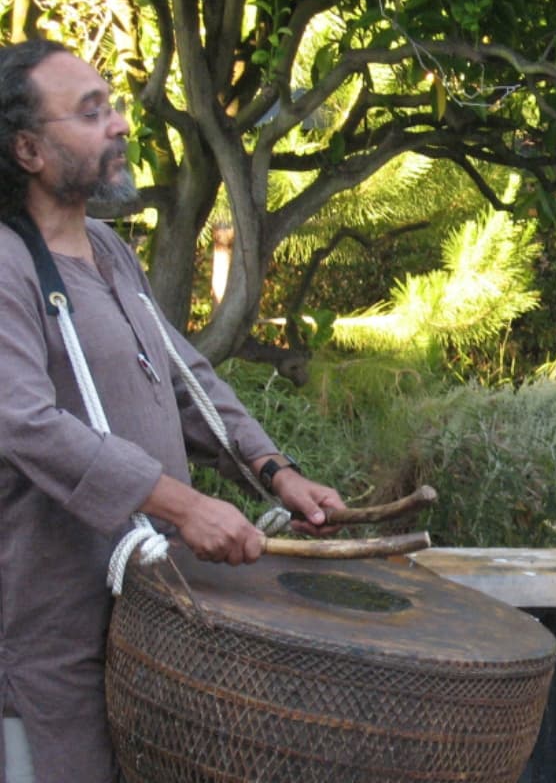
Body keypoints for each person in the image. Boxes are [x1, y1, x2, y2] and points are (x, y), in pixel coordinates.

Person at [0, 40, 347, 782]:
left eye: (114, 105)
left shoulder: (105, 248)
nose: (120, 123)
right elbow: (22, 422)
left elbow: (184, 375)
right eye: (91, 113)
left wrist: (273, 470)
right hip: (50, 644)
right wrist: (182, 505)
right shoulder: (4, 262)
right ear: (27, 149)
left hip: (144, 621)